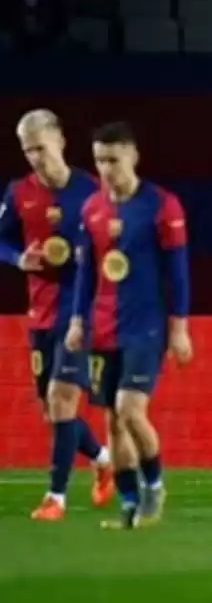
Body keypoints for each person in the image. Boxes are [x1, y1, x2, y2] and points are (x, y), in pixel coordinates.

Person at [64, 121, 195, 529]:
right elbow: (86, 272)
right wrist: (77, 321)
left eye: (113, 160)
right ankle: (128, 504)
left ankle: (154, 487)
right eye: (100, 161)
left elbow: (178, 272)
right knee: (112, 420)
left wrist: (179, 327)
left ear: (133, 156)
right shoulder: (91, 209)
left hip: (146, 326)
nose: (106, 169)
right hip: (103, 327)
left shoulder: (161, 205)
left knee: (130, 408)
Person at [1, 110, 114, 521]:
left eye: (41, 148)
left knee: (62, 397)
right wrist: (19, 258)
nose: (35, 158)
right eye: (28, 150)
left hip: (82, 311)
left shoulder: (93, 191)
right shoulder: (18, 193)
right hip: (41, 313)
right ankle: (102, 459)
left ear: (60, 142)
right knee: (53, 413)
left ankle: (56, 497)